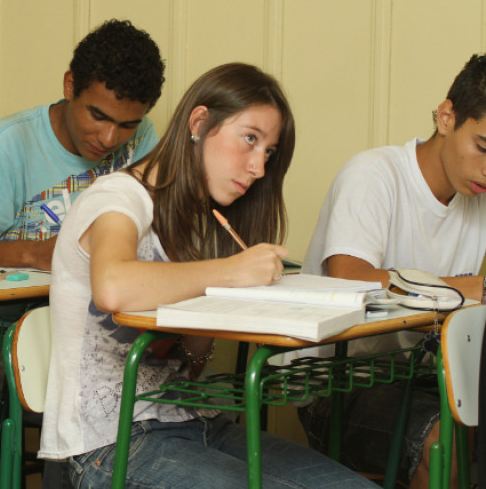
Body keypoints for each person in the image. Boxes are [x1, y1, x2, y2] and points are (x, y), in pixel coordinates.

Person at [37, 62, 376, 488]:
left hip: (197, 421)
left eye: (268, 152)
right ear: (199, 122)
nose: (258, 168)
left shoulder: (202, 221)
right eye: (250, 139)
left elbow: (191, 363)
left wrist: (216, 318)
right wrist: (231, 271)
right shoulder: (119, 197)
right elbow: (112, 287)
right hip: (110, 441)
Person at [0, 19, 163, 414]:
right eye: (97, 116)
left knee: (164, 387)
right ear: (68, 85)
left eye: (127, 124)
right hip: (4, 345)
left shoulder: (144, 140)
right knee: (95, 393)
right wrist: (34, 253)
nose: (110, 138)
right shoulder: (6, 146)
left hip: (106, 337)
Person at [297, 53, 486, 488]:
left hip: (418, 375)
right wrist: (467, 289)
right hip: (337, 386)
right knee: (449, 437)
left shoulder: (476, 197)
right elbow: (348, 276)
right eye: (482, 146)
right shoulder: (375, 174)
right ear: (446, 117)